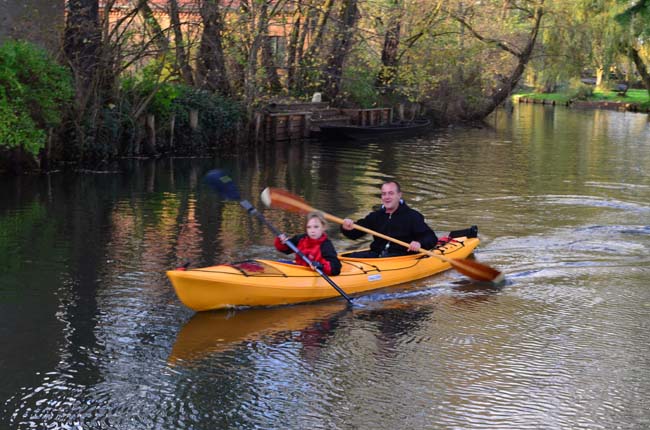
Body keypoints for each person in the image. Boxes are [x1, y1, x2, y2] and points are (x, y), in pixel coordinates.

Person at [340, 180, 437, 258]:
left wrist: (419, 243)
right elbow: (355, 234)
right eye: (384, 194)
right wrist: (347, 227)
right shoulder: (375, 216)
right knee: (351, 256)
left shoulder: (413, 216)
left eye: (391, 193)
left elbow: (431, 237)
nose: (387, 197)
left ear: (399, 195)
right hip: (377, 255)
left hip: (401, 257)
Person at [275, 211, 342, 275]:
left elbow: (336, 268)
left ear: (323, 227)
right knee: (278, 263)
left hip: (314, 273)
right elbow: (286, 250)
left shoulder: (326, 245)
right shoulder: (301, 238)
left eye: (316, 227)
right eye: (309, 227)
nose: (312, 231)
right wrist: (282, 241)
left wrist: (320, 266)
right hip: (299, 268)